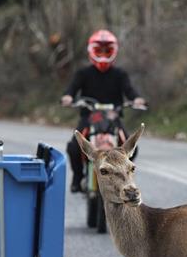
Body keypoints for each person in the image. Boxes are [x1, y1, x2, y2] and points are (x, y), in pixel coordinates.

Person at [61, 29, 147, 192]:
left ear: (113, 51)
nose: (102, 54)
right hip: (89, 118)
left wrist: (136, 99)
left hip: (113, 119)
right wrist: (68, 97)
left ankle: (124, 176)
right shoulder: (83, 73)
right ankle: (78, 177)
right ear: (91, 50)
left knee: (131, 147)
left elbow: (129, 90)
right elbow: (72, 88)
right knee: (73, 147)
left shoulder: (120, 74)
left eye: (107, 50)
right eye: (99, 50)